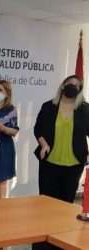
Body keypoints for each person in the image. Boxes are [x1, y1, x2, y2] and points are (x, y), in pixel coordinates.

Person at [33, 75, 89, 250]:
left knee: (65, 206)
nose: (72, 87)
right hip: (50, 161)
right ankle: (42, 243)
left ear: (80, 90)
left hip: (74, 164)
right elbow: (38, 129)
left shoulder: (85, 109)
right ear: (63, 85)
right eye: (69, 84)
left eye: (76, 86)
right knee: (46, 205)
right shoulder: (49, 106)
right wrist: (43, 144)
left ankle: (60, 243)